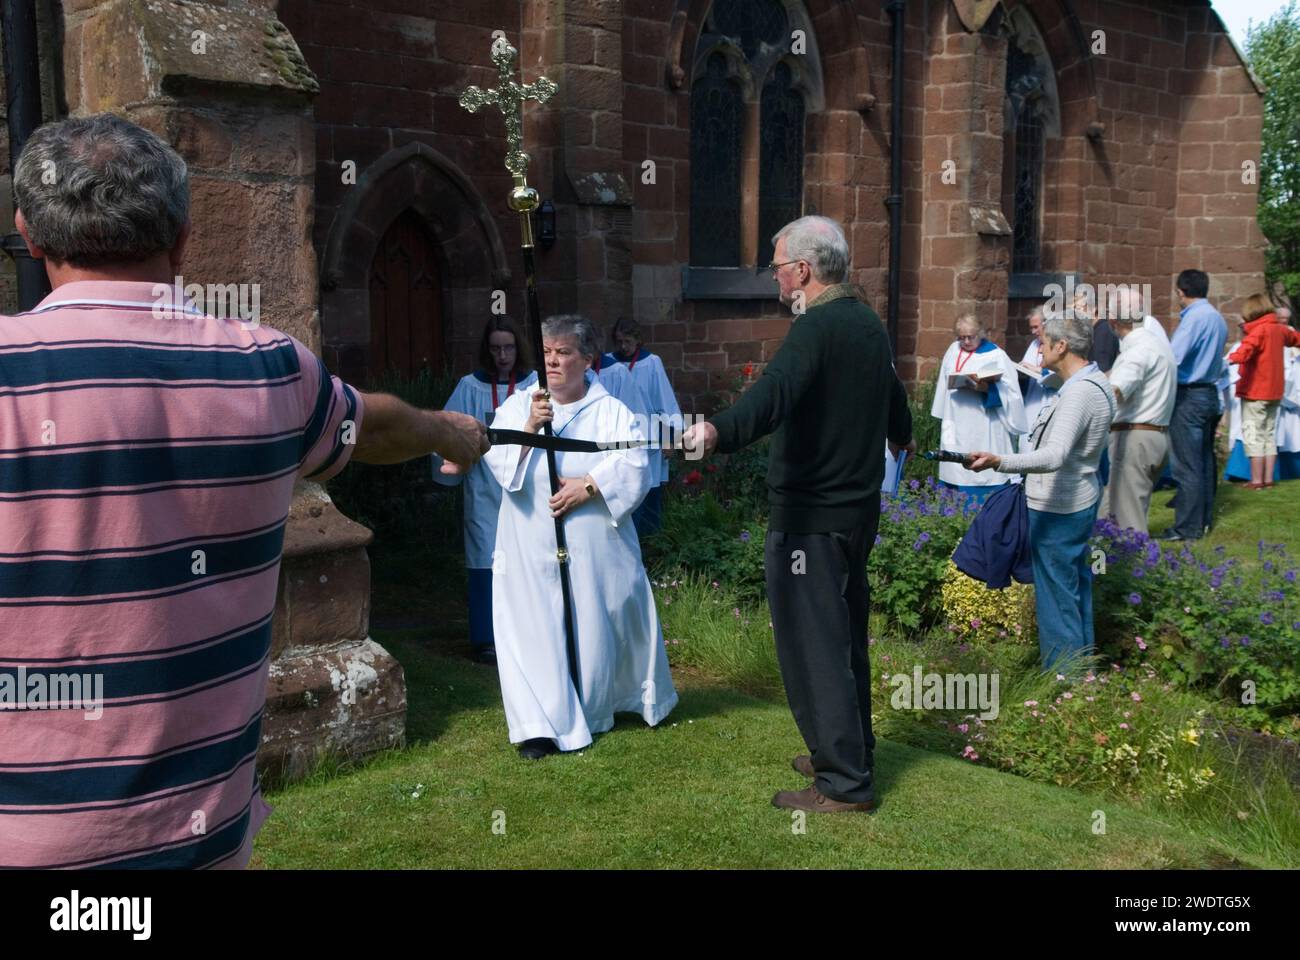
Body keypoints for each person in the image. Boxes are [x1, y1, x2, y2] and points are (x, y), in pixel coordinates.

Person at [0, 114, 488, 869]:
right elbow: (373, 426)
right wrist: (445, 432)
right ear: (185, 237)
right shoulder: (267, 372)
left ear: (28, 234)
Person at [682, 215, 913, 814]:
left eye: (780, 268)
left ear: (803, 271)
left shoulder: (816, 327)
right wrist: (900, 435)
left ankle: (842, 783)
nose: (777, 279)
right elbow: (894, 401)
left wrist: (715, 430)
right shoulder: (866, 322)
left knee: (815, 647)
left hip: (811, 519)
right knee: (843, 641)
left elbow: (773, 394)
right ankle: (845, 751)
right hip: (856, 513)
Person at [484, 314, 677, 760]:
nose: (553, 361)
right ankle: (536, 725)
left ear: (588, 359)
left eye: (564, 352)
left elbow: (635, 464)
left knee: (598, 621)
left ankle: (598, 705)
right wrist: (530, 427)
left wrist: (588, 485)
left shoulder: (611, 411)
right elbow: (497, 457)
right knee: (534, 626)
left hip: (593, 546)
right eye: (547, 352)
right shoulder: (519, 404)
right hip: (529, 543)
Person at [967, 313, 1116, 671]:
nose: (1039, 352)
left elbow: (1055, 455)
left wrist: (999, 461)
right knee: (1072, 589)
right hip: (1076, 499)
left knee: (1056, 597)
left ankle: (1065, 683)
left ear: (1062, 346)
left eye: (1044, 345)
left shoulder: (1079, 394)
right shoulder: (1092, 382)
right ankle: (1082, 673)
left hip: (1059, 508)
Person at [432, 317, 538, 664]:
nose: (502, 355)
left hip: (525, 487)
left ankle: (527, 634)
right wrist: (454, 458)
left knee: (526, 561)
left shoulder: (533, 385)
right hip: (483, 488)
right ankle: (485, 639)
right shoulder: (470, 387)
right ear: (486, 350)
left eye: (508, 347)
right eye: (495, 348)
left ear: (517, 348)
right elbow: (444, 428)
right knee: (484, 561)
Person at [930, 313, 1027, 504]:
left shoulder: (996, 355)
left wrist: (987, 389)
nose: (966, 341)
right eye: (961, 336)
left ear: (981, 333)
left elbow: (1012, 395)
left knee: (981, 476)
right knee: (953, 474)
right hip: (955, 422)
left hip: (984, 425)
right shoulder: (953, 350)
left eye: (970, 336)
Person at [599, 318, 682, 536]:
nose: (623, 347)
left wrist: (670, 438)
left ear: (638, 340)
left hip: (649, 435)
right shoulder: (608, 364)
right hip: (617, 435)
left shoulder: (651, 362)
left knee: (649, 490)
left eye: (628, 341)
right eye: (619, 342)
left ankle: (652, 544)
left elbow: (665, 401)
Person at [1099, 304, 1177, 532]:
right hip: (1154, 434)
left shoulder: (1137, 351)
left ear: (1114, 323)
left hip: (1134, 435)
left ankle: (1127, 565)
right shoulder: (1157, 345)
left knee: (1125, 517)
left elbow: (1116, 389)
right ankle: (1107, 565)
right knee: (1123, 509)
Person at [1165, 269, 1228, 540]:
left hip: (1190, 394)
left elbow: (1173, 357)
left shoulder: (1194, 319)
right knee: (1204, 461)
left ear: (1181, 291)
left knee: (1187, 465)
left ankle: (1187, 528)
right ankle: (1202, 519)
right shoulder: (1216, 316)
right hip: (1209, 393)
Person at [1227, 294, 1300, 489]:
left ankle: (1256, 480)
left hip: (1256, 391)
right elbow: (1296, 339)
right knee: (1269, 435)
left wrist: (1231, 359)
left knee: (1253, 436)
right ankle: (1268, 479)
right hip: (1275, 392)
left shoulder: (1258, 331)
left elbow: (1246, 350)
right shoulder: (1280, 329)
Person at [1018, 306, 1052, 426]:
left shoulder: (1058, 345)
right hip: (1032, 400)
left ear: (1047, 324)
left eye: (1036, 327)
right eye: (1031, 328)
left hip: (1050, 401)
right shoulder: (1034, 344)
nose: (1033, 332)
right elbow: (1025, 366)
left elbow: (1059, 375)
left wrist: (1037, 370)